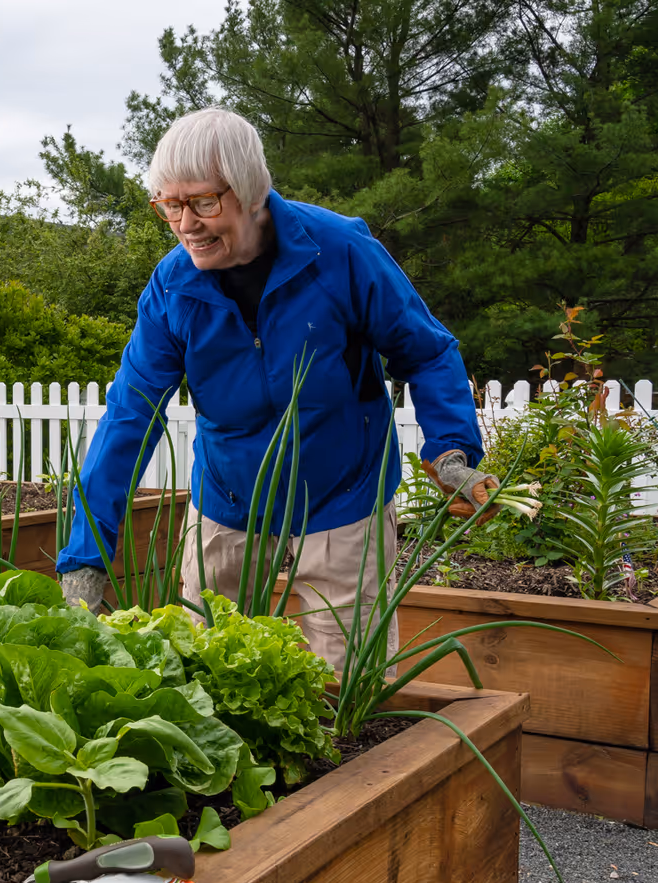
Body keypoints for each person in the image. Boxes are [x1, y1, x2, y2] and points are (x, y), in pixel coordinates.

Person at [55, 108, 496, 670]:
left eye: (203, 203)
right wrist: (86, 559)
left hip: (342, 495)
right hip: (228, 497)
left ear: (252, 192)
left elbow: (428, 351)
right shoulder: (174, 287)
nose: (185, 223)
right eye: (169, 205)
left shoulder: (338, 253)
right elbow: (131, 412)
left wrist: (452, 452)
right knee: (208, 672)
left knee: (345, 681)